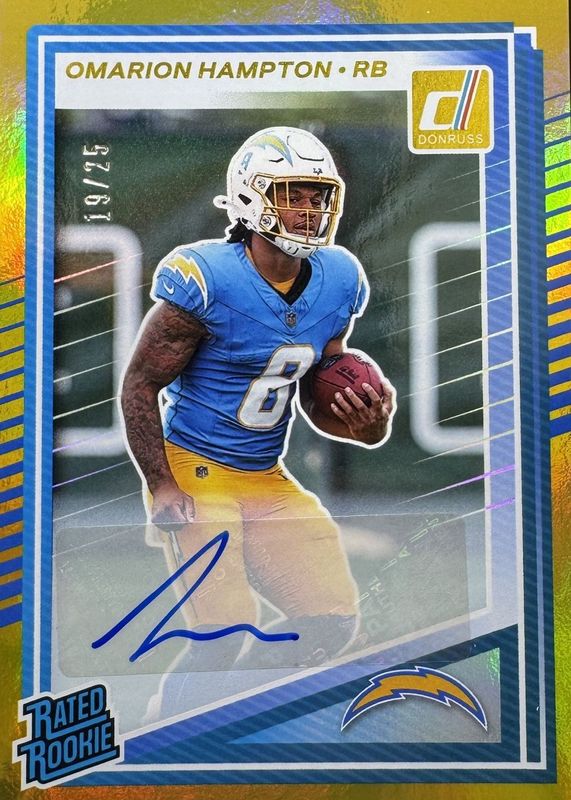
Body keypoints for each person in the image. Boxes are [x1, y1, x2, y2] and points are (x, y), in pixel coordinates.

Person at [120, 126, 395, 717]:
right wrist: (160, 483)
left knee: (330, 621)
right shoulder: (207, 278)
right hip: (195, 468)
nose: (309, 209)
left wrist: (366, 425)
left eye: (319, 196)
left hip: (264, 472)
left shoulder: (338, 278)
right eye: (293, 194)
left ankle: (240, 715)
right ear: (251, 196)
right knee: (222, 634)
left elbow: (316, 397)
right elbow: (139, 384)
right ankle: (168, 730)